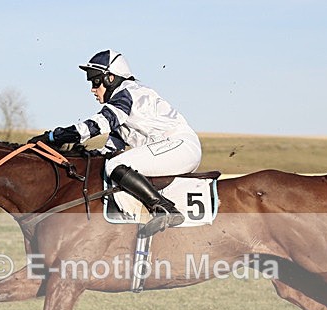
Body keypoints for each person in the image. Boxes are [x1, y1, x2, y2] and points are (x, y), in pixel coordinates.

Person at [29, 50, 202, 237]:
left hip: (179, 146)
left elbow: (94, 127)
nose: (93, 89)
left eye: (95, 81)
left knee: (116, 165)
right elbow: (109, 149)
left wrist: (53, 137)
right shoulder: (124, 106)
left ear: (110, 78)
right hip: (173, 149)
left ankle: (165, 209)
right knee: (111, 164)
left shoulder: (125, 95)